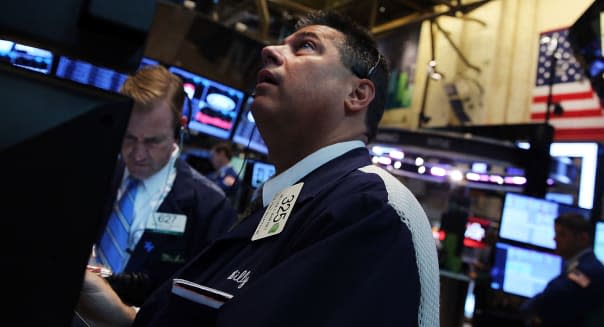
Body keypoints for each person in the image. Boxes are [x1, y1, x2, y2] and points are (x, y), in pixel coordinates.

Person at [77, 11, 440, 327]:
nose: (269, 50)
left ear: (357, 95)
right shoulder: (284, 204)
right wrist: (122, 318)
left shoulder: (372, 208)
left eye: (306, 46)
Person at [90, 65, 237, 307]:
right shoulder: (96, 173)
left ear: (181, 127)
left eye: (153, 141)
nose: (137, 154)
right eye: (128, 137)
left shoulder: (211, 208)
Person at [520, 213, 604, 327]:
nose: (555, 239)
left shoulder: (589, 269)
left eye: (562, 235)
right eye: (556, 233)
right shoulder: (579, 265)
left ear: (583, 238)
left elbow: (554, 293)